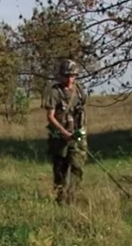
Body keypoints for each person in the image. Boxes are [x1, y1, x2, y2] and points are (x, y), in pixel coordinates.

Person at [44, 59, 88, 205]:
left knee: (78, 167)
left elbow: (82, 112)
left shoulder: (80, 91)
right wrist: (63, 132)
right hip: (59, 137)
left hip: (77, 135)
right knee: (60, 170)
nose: (69, 79)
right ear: (61, 76)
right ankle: (60, 200)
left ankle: (73, 197)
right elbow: (50, 117)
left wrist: (80, 132)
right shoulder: (55, 92)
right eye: (66, 75)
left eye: (72, 75)